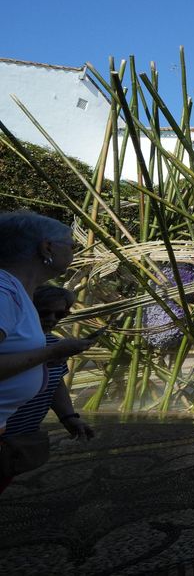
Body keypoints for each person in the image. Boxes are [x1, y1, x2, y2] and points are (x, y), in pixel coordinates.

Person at [0, 211, 95, 493]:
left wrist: (68, 416)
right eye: (71, 245)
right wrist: (49, 354)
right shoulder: (4, 292)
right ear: (47, 248)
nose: (75, 252)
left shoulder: (19, 291)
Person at [4, 286, 95, 441]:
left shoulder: (55, 343)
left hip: (26, 434)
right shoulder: (11, 343)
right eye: (44, 313)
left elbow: (56, 383)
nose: (52, 319)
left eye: (59, 314)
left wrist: (68, 417)